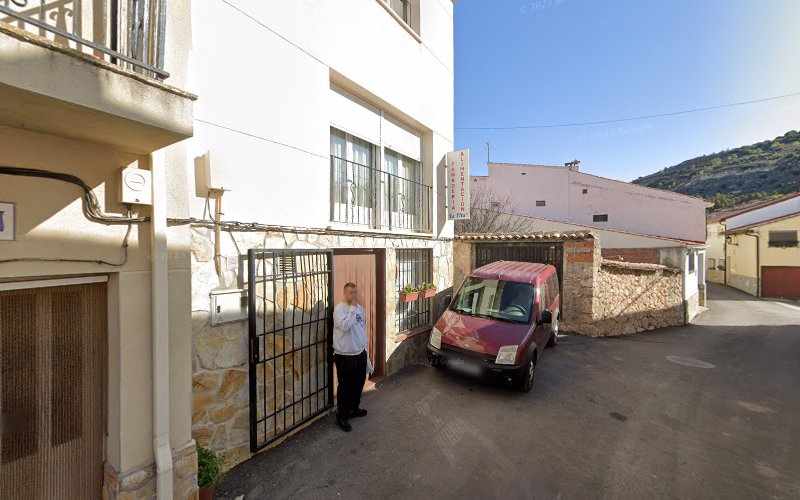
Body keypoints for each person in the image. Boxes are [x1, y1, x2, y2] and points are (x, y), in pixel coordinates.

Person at [332, 282, 371, 432]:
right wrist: (353, 309)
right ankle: (342, 416)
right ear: (344, 293)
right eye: (350, 292)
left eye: (355, 292)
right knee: (345, 387)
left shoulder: (360, 309)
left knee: (359, 383)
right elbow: (345, 326)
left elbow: (362, 328)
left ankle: (354, 409)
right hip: (345, 356)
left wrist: (364, 349)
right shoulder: (339, 310)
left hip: (360, 353)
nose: (353, 295)